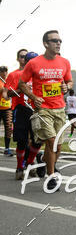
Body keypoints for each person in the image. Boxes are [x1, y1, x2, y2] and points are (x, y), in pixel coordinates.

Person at [19, 31, 73, 191]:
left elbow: (69, 81)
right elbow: (22, 83)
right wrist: (33, 97)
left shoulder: (64, 62)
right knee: (51, 141)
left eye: (60, 41)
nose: (58, 43)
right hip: (42, 109)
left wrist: (67, 86)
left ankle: (44, 160)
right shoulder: (34, 63)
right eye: (54, 41)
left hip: (59, 109)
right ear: (45, 44)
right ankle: (51, 177)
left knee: (58, 146)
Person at [3, 50, 44, 180]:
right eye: (24, 57)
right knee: (21, 141)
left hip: (37, 110)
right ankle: (20, 167)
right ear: (22, 60)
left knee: (38, 140)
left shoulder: (40, 75)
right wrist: (22, 88)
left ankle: (30, 162)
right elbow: (6, 94)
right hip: (21, 109)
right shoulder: (15, 75)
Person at [0, 66, 13, 155]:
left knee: (8, 128)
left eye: (5, 71)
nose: (4, 73)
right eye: (2, 71)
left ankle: (7, 148)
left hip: (7, 108)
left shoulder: (9, 81)